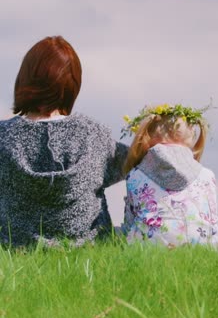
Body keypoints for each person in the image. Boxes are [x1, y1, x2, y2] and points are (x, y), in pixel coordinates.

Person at [0, 36, 128, 246]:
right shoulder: (94, 135)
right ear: (73, 83)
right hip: (90, 250)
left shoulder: (3, 137)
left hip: (16, 249)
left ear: (25, 77)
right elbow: (139, 165)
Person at [121, 103, 218, 248]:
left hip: (149, 247)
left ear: (148, 136)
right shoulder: (207, 175)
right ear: (190, 138)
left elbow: (130, 221)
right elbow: (211, 218)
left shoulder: (135, 175)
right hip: (204, 246)